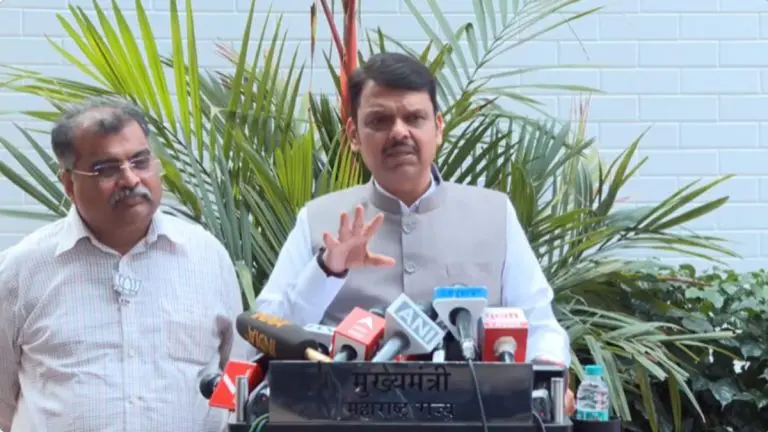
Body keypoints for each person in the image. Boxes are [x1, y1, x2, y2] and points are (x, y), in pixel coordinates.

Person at [253, 52, 575, 411]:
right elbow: (268, 335)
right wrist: (327, 270)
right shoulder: (319, 219)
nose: (399, 132)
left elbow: (539, 323)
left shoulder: (495, 214)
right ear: (354, 135)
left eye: (414, 118)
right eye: (379, 120)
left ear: (438, 127)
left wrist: (548, 378)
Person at [0, 96, 249, 432]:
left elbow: (237, 380)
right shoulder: (22, 271)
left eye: (140, 161)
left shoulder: (207, 257)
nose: (131, 180)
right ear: (69, 184)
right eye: (106, 169)